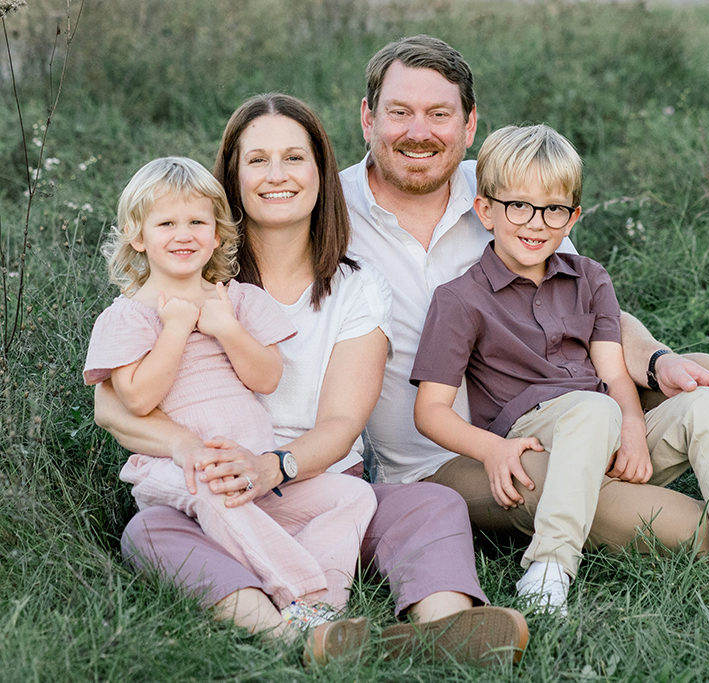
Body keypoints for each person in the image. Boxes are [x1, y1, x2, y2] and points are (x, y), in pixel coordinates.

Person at [343, 35, 709, 561]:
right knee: (558, 481)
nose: (418, 132)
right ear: (368, 118)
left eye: (438, 114)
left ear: (469, 124)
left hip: (565, 403)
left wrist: (658, 361)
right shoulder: (330, 216)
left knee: (702, 378)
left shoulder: (503, 188)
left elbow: (582, 304)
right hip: (442, 460)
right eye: (400, 113)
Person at [94, 95, 529, 667]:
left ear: (322, 174)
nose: (277, 175)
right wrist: (189, 449)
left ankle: (443, 626)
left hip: (314, 485)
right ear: (232, 178)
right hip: (207, 485)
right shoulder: (187, 271)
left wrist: (272, 467)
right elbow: (112, 406)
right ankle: (287, 632)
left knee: (432, 505)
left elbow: (343, 422)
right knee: (149, 532)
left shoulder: (356, 287)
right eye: (258, 161)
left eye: (294, 158)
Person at [411, 124, 709, 612]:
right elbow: (430, 411)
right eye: (519, 205)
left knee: (703, 403)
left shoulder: (590, 279)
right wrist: (493, 450)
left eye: (553, 209)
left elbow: (616, 373)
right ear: (486, 210)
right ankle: (549, 568)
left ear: (572, 217)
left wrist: (635, 429)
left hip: (608, 428)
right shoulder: (459, 300)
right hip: (537, 437)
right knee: (592, 410)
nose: (536, 223)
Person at [85, 157, 375, 628]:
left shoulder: (238, 300)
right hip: (177, 472)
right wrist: (176, 330)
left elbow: (267, 377)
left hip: (251, 467)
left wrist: (227, 329)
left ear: (217, 234)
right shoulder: (128, 316)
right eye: (167, 223)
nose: (184, 234)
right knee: (212, 490)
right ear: (138, 236)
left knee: (352, 496)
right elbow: (136, 399)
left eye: (198, 221)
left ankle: (323, 611)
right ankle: (304, 595)